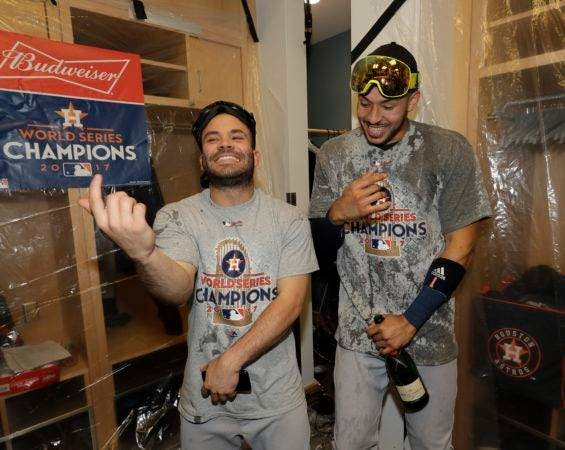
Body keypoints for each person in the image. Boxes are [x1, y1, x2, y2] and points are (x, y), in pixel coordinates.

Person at [79, 100, 318, 450]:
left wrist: (231, 360)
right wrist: (143, 254)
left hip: (277, 400)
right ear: (202, 160)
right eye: (212, 138)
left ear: (255, 155)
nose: (225, 143)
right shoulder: (178, 217)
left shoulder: (289, 219)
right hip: (205, 403)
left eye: (236, 137)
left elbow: (292, 301)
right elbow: (176, 290)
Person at [309, 42, 492, 449]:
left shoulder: (448, 149)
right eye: (365, 103)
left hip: (427, 333)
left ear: (413, 100)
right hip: (357, 336)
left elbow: (462, 244)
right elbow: (317, 251)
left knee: (430, 443)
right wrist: (338, 212)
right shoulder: (335, 155)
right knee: (351, 443)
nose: (373, 117)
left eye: (388, 106)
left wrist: (410, 321)